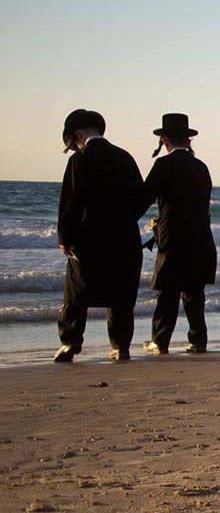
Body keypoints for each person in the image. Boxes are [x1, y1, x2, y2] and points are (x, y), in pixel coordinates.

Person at [54, 109, 144, 362]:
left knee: (75, 293)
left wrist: (65, 238)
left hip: (88, 238)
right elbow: (141, 197)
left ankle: (70, 342)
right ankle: (120, 346)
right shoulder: (124, 157)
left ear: (78, 134)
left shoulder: (79, 160)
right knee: (120, 295)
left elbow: (69, 203)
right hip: (124, 237)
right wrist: (126, 219)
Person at [137, 113, 215, 354]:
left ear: (164, 140)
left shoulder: (163, 165)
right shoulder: (201, 167)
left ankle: (160, 342)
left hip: (172, 236)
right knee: (194, 293)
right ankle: (198, 340)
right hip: (200, 237)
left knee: (167, 292)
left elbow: (143, 199)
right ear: (188, 140)